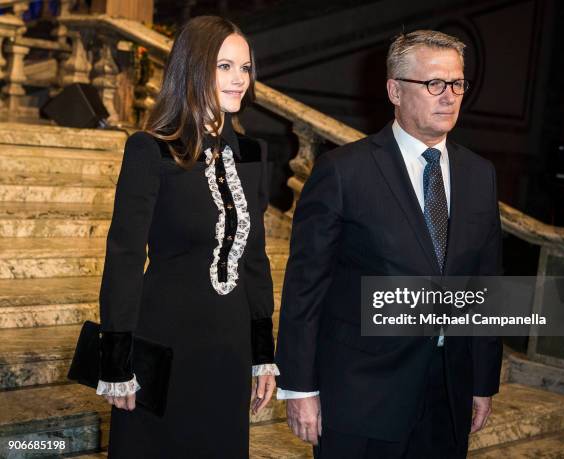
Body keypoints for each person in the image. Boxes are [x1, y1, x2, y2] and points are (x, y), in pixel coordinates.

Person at [275, 30, 503, 458]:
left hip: (446, 391)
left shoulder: (479, 174)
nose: (449, 96)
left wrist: (482, 382)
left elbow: (485, 287)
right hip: (360, 393)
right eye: (434, 84)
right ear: (395, 90)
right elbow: (306, 288)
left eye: (457, 84)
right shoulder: (343, 172)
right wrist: (299, 385)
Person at [95, 16, 278, 458]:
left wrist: (262, 352)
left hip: (228, 348)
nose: (239, 79)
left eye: (245, 68)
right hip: (163, 344)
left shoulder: (253, 154)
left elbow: (253, 258)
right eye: (224, 67)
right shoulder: (150, 149)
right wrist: (117, 359)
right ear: (194, 69)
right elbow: (123, 256)